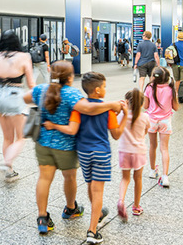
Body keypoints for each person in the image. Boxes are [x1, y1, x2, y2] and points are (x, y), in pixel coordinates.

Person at [24, 61, 123, 235]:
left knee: (44, 179)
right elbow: (88, 108)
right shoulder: (71, 93)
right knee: (69, 177)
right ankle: (71, 209)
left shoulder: (41, 89)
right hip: (66, 145)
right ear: (70, 77)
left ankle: (42, 218)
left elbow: (25, 98)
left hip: (43, 142)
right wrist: (111, 105)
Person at [68, 72, 124, 245]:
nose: (106, 90)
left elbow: (74, 129)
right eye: (105, 87)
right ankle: (92, 231)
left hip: (83, 152)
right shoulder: (108, 110)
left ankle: (98, 214)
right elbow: (116, 135)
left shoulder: (80, 107)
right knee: (98, 190)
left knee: (91, 185)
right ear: (98, 90)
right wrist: (126, 116)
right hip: (101, 152)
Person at [0, 30, 34, 180]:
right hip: (14, 95)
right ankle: (7, 163)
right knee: (21, 137)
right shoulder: (24, 57)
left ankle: (9, 170)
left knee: (7, 137)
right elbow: (31, 83)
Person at [116, 88, 150, 220]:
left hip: (124, 151)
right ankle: (136, 206)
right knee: (138, 178)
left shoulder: (121, 116)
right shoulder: (145, 117)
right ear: (142, 104)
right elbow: (146, 131)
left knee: (125, 178)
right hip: (139, 152)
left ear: (126, 102)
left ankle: (121, 201)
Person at [144, 66, 178, 187]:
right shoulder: (171, 89)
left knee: (152, 145)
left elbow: (145, 106)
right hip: (165, 121)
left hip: (151, 121)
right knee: (164, 148)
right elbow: (176, 107)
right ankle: (165, 176)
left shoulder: (149, 88)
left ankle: (153, 171)